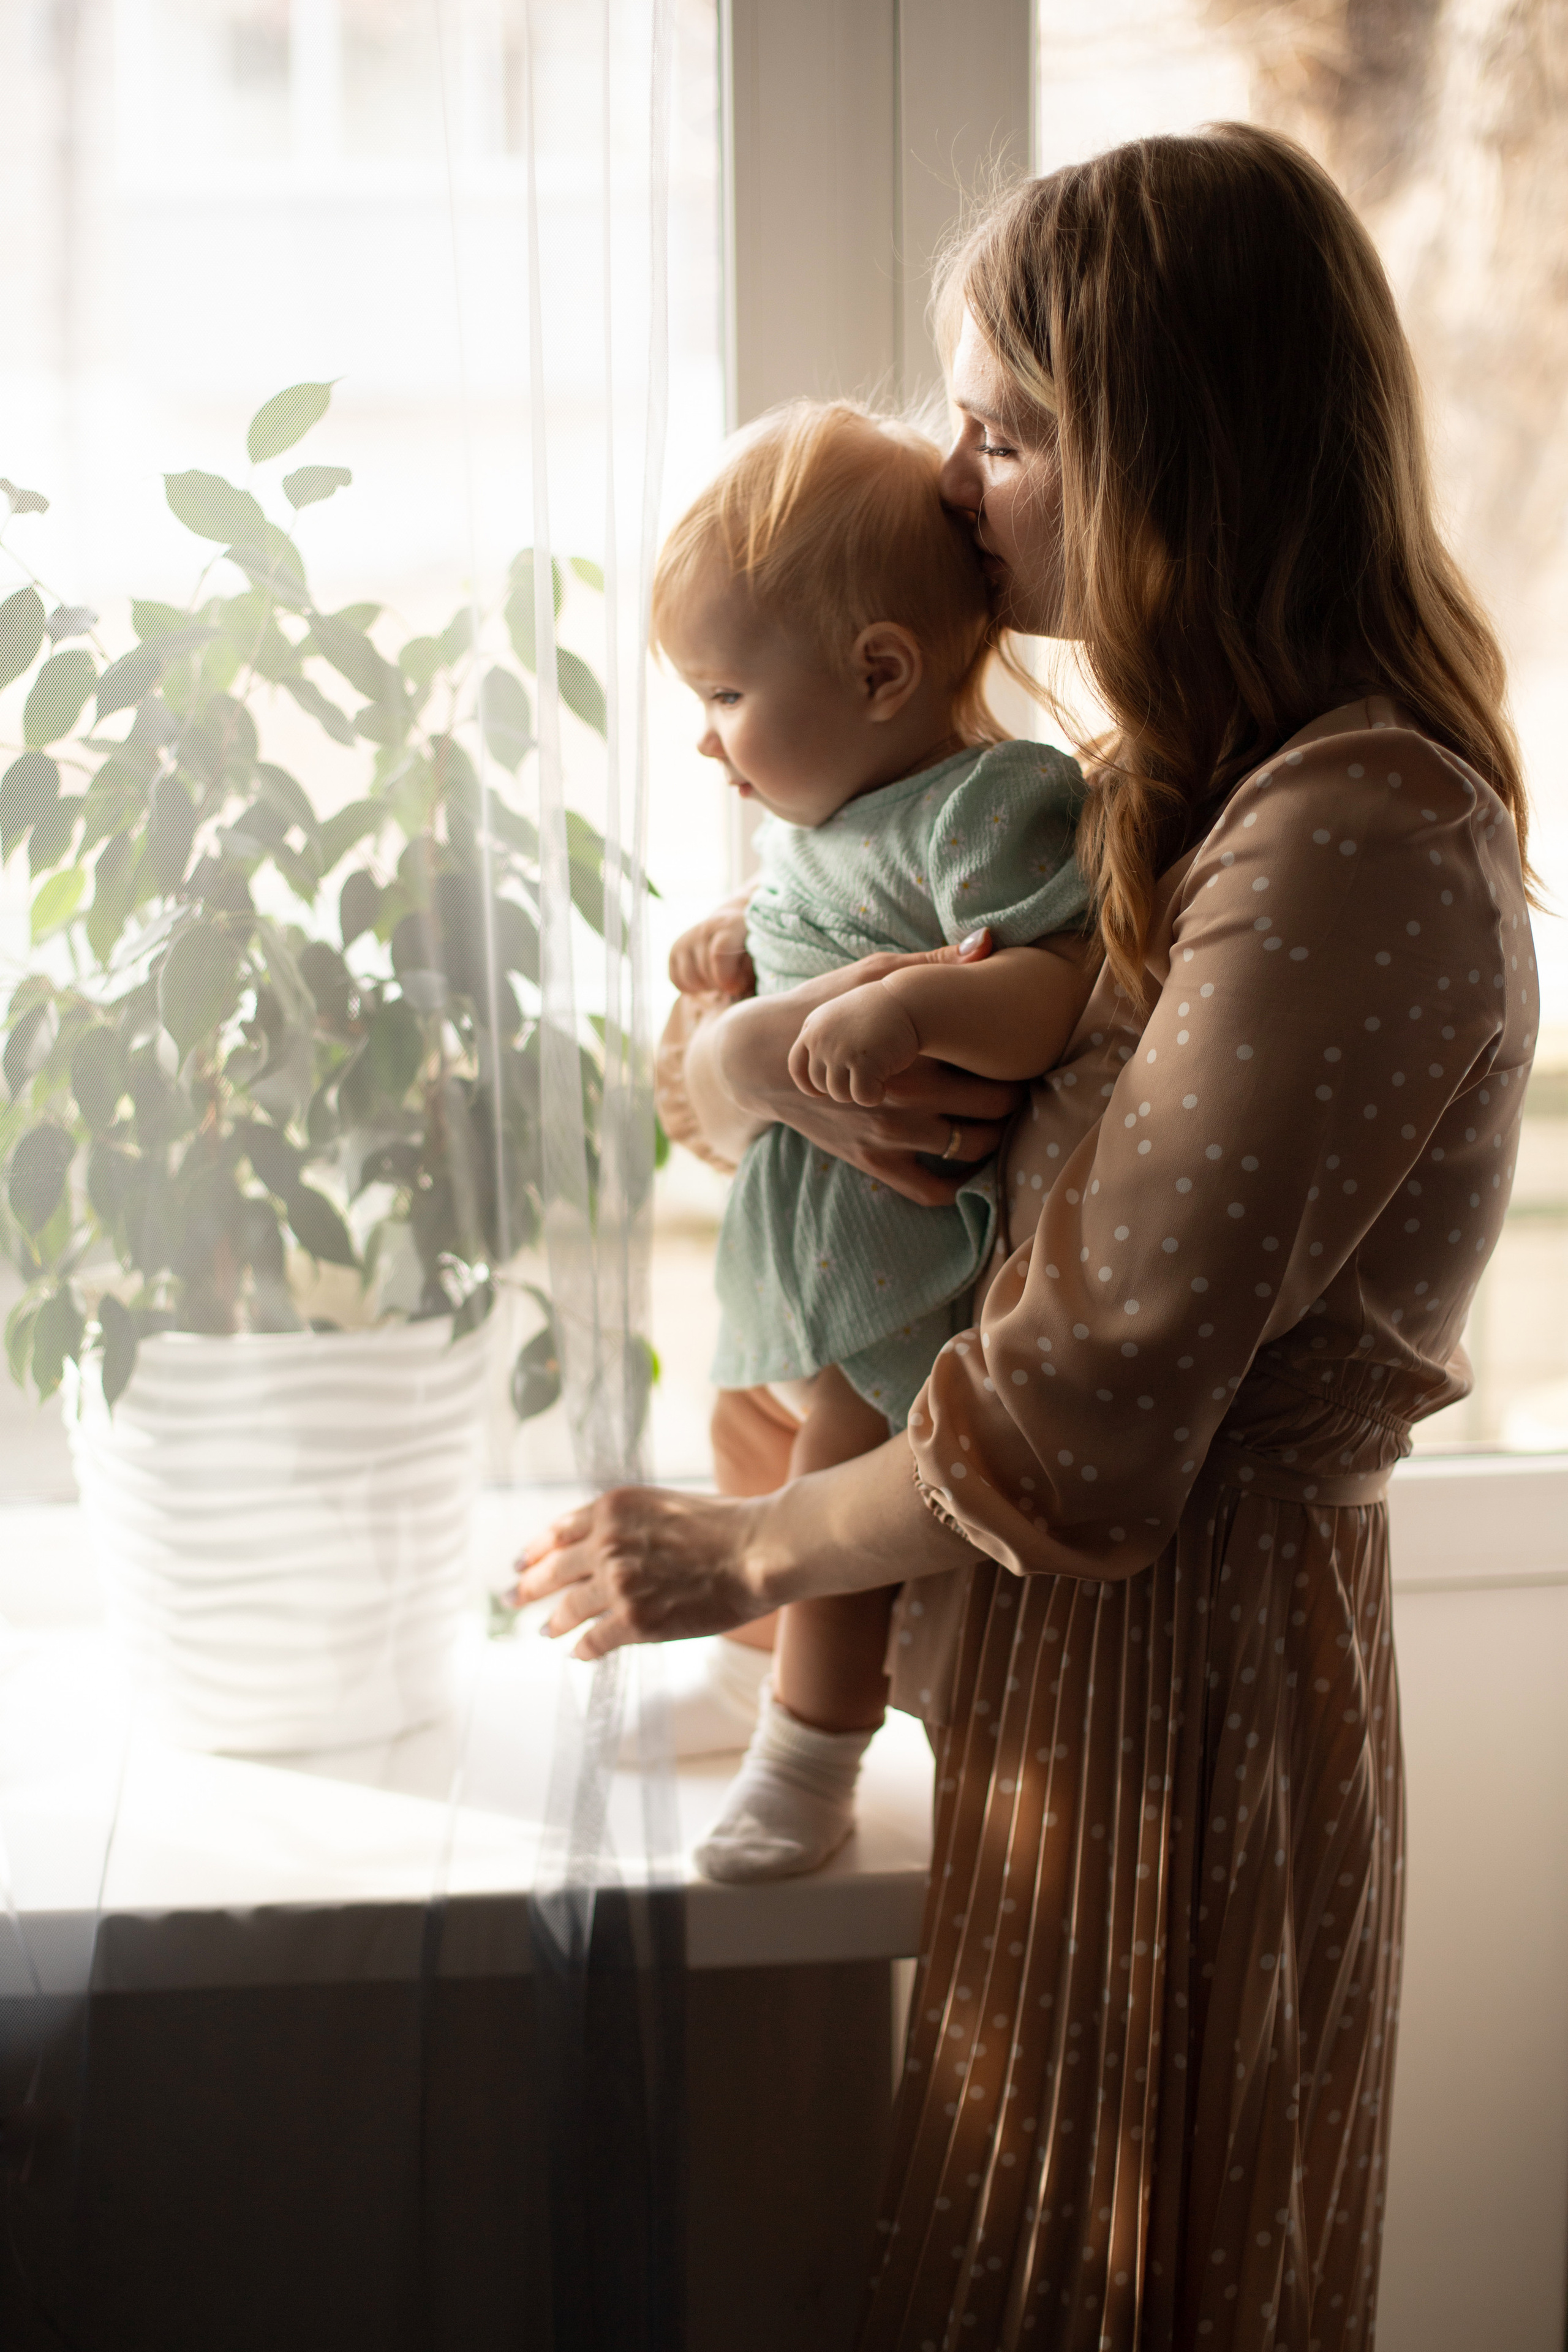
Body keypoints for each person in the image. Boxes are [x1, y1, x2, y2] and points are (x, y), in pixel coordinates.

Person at [519, 122, 1536, 2345]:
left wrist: (745, 1555)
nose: (952, 482)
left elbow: (1083, 1402)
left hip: (1190, 1700)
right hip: (1083, 1673)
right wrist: (753, 1058)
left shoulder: (1356, 838)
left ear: (1175, 458)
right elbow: (717, 1096)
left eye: (1005, 432)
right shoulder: (1157, 797)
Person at [649, 400, 1096, 1881]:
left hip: (898, 1275)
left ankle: (810, 1753)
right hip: (800, 1255)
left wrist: (910, 1007)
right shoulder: (821, 822)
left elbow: (1049, 988)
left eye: (724, 693)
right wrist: (736, 947)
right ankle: (742, 1673)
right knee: (746, 1438)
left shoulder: (988, 805)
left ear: (880, 673)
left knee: (828, 1501)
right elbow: (797, 949)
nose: (705, 737)